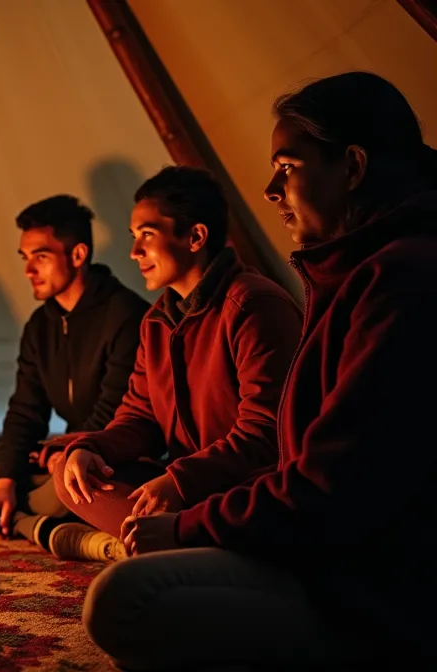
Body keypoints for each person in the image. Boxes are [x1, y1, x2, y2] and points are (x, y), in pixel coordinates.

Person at [82, 72, 437, 669]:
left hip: (374, 582)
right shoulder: (345, 274)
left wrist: (188, 518)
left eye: (288, 167)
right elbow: (140, 412)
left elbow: (311, 471)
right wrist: (88, 447)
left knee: (126, 596)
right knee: (87, 489)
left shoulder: (390, 280)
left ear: (352, 167)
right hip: (306, 533)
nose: (270, 188)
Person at [51, 166, 302, 558]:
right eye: (134, 237)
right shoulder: (156, 322)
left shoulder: (252, 305)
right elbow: (139, 418)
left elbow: (266, 433)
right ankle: (175, 539)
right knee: (70, 474)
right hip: (189, 487)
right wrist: (90, 447)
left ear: (195, 237)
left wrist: (178, 481)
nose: (134, 252)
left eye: (146, 236)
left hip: (247, 489)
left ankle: (187, 540)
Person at [0, 195, 149, 559]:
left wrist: (63, 449)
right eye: (25, 258)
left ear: (77, 256)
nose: (29, 270)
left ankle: (3, 513)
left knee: (65, 478)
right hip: (57, 461)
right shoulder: (39, 326)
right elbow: (25, 410)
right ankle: (32, 521)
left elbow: (118, 410)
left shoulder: (126, 315)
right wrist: (4, 481)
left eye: (40, 257)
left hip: (102, 461)